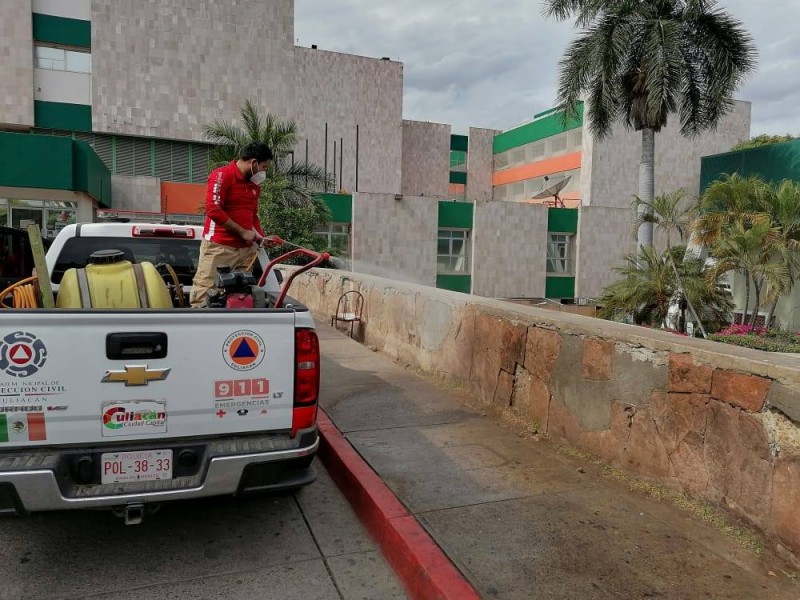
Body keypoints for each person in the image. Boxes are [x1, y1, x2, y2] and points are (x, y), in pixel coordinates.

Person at [190, 142, 273, 307]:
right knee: (205, 296)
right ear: (253, 162)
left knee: (239, 297)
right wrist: (242, 232)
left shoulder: (253, 187)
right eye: (264, 167)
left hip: (246, 251)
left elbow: (252, 216)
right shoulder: (222, 175)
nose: (264, 172)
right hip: (220, 247)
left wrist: (261, 238)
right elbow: (213, 209)